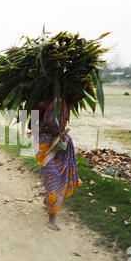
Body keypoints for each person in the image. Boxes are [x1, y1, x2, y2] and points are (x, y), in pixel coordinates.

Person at [34, 87, 87, 231]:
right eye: (56, 88)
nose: (59, 91)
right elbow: (31, 126)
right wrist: (46, 129)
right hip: (44, 145)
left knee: (61, 172)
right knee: (53, 174)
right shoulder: (41, 105)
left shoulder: (66, 101)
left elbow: (83, 92)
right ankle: (52, 218)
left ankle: (49, 200)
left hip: (62, 143)